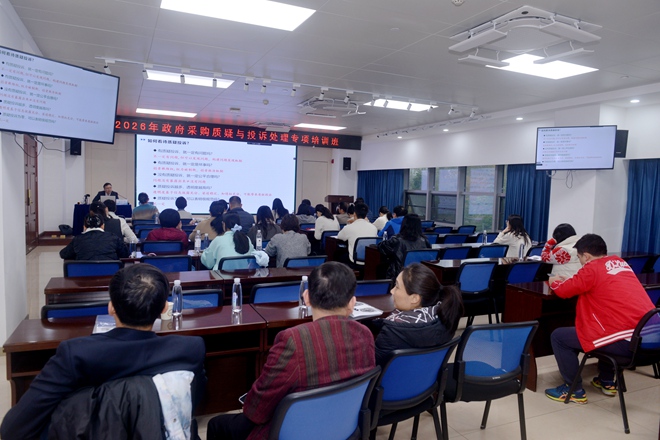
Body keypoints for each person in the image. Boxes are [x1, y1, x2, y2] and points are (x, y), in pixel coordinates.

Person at [0, 264, 207, 439]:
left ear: (111, 308)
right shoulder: (189, 349)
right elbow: (190, 399)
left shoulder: (76, 354)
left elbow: (14, 429)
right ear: (164, 308)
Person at [206, 261, 375, 440]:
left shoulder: (294, 340)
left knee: (217, 424)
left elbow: (258, 409)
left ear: (306, 297)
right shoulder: (365, 335)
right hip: (343, 428)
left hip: (293, 432)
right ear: (352, 302)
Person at [544, 234, 654, 404]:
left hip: (628, 345)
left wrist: (554, 282)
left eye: (579, 257)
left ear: (586, 256)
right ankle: (607, 381)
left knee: (559, 337)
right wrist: (574, 280)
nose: (580, 262)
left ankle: (574, 390)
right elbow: (598, 282)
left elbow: (564, 291)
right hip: (649, 341)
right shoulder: (620, 263)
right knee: (606, 325)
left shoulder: (592, 268)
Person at [374, 263, 463, 366]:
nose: (392, 291)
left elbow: (374, 364)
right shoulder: (445, 317)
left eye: (397, 287)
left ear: (415, 298)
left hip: (393, 376)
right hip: (428, 375)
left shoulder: (392, 331)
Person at [377, 214, 432, 279]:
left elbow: (381, 247)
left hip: (400, 276)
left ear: (404, 225)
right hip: (419, 277)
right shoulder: (425, 241)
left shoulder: (396, 240)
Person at [59, 214, 129, 260]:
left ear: (84, 227)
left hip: (84, 276)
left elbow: (63, 254)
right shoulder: (113, 237)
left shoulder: (77, 239)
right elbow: (126, 254)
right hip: (110, 275)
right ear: (103, 226)